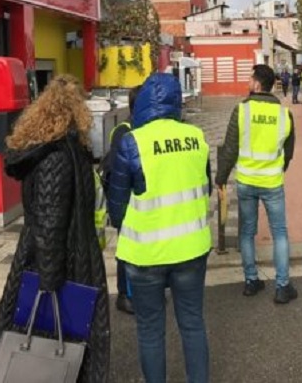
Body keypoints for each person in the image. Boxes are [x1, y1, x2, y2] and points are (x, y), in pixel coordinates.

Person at [0, 74, 110, 383]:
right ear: (75, 110)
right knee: (57, 335)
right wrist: (50, 280)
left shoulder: (55, 149)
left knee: (53, 333)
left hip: (55, 254)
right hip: (64, 260)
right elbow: (51, 221)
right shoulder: (58, 156)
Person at [107, 73, 212, 383]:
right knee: (192, 323)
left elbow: (117, 207)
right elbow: (203, 187)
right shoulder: (197, 137)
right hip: (192, 249)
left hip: (146, 254)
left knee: (150, 329)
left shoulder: (131, 142)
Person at [216, 64, 297, 304]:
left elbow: (229, 149)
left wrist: (220, 179)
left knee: (247, 232)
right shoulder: (284, 114)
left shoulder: (241, 111)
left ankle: (251, 281)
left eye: (251, 79)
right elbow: (289, 151)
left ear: (258, 84)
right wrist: (278, 168)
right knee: (280, 233)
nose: (248, 83)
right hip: (272, 182)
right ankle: (283, 286)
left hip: (246, 181)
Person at [98, 87, 140, 316]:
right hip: (127, 203)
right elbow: (116, 172)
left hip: (144, 204)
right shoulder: (123, 131)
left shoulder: (143, 129)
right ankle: (125, 294)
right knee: (127, 250)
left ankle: (139, 291)